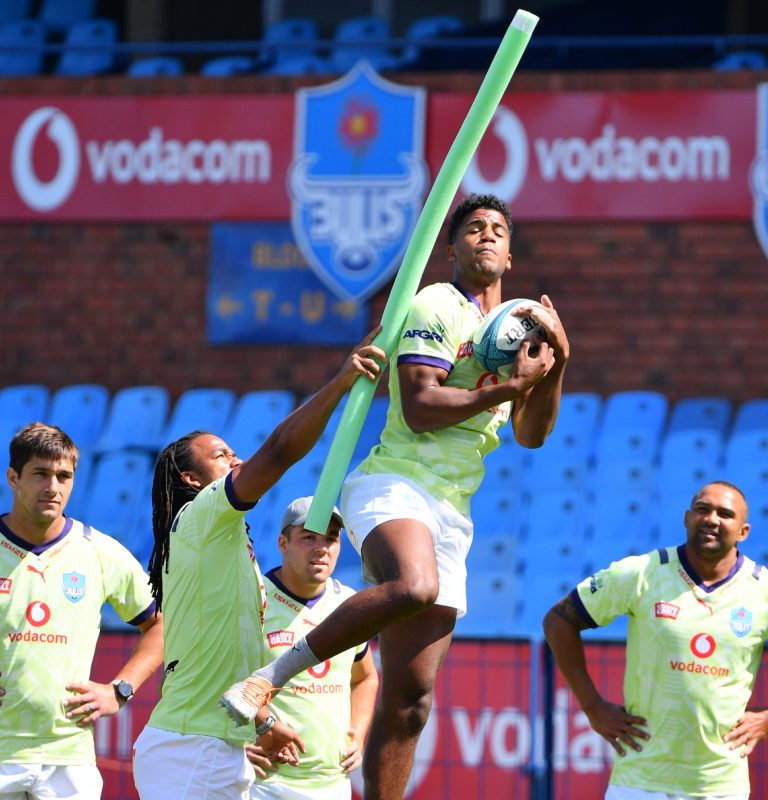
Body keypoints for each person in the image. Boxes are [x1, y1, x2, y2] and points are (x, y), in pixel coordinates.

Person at [222, 192, 571, 800]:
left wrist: (558, 363)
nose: (486, 236)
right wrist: (507, 387)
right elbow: (420, 404)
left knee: (411, 701)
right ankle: (269, 677)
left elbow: (531, 434)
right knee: (416, 585)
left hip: (453, 511)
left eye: (497, 230)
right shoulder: (436, 304)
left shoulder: (521, 331)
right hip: (393, 483)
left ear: (511, 255)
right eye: (473, 228)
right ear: (453, 247)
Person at [132, 330, 385, 800]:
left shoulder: (223, 544)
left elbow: (224, 661)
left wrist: (264, 719)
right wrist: (340, 383)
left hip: (214, 746)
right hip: (194, 748)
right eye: (222, 456)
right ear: (192, 479)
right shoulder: (202, 513)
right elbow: (278, 452)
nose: (238, 459)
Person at [0, 422, 164, 800]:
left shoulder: (100, 552)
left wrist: (119, 690)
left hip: (68, 757)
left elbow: (159, 624)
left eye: (64, 476)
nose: (52, 487)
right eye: (40, 474)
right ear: (13, 477)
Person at [542, 480, 768, 800]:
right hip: (639, 780)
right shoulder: (642, 573)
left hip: (720, 786)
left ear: (743, 531)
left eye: (725, 514)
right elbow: (558, 620)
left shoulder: (762, 591)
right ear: (687, 518)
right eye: (703, 509)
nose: (712, 519)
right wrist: (592, 706)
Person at [246, 496, 378, 800]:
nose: (322, 548)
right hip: (263, 784)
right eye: (308, 538)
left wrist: (358, 731)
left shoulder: (349, 605)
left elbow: (365, 677)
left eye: (331, 539)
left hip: (332, 785)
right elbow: (215, 677)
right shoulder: (253, 601)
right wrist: (231, 745)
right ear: (283, 543)